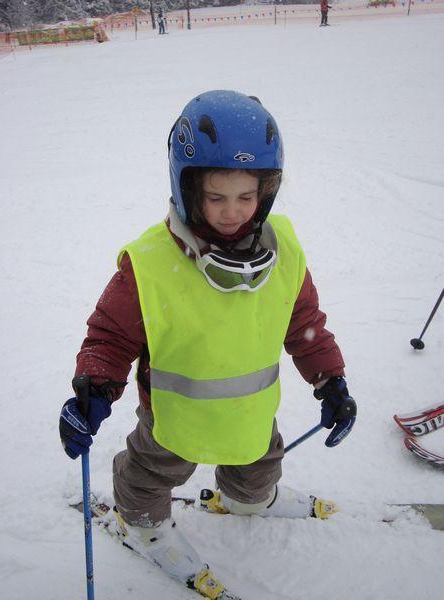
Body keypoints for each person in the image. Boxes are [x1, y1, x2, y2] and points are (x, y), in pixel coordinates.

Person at [59, 90, 357, 599]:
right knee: (150, 475)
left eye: (247, 198)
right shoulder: (151, 263)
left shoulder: (282, 251)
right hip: (174, 418)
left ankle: (248, 501)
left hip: (253, 414)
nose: (231, 213)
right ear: (185, 187)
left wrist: (331, 381)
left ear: (266, 192)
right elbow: (110, 335)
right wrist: (95, 388)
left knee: (260, 466)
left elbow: (303, 320)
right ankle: (142, 523)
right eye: (215, 197)